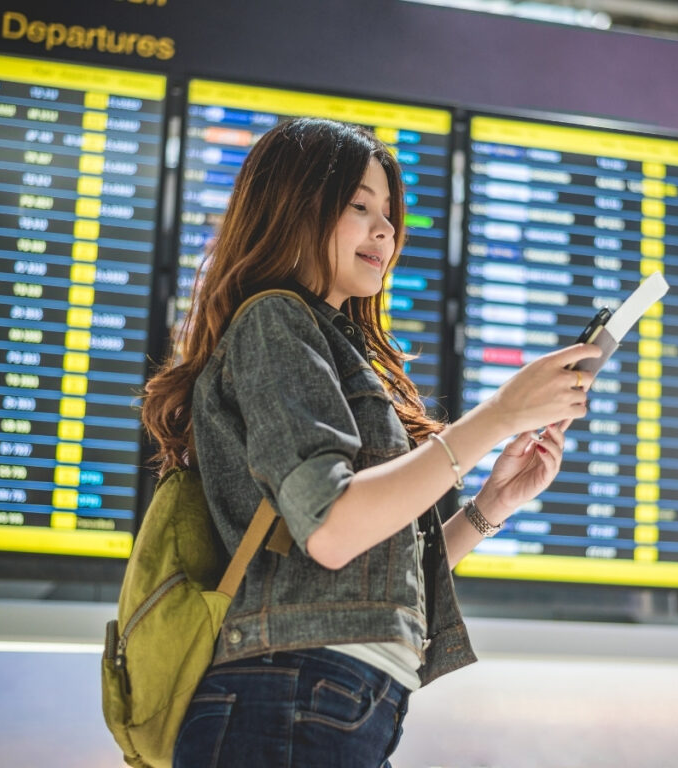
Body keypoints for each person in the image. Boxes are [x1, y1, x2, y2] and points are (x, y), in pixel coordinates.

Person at [141, 117, 600, 768]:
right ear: (292, 211)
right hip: (288, 699)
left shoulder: (329, 345)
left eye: (389, 214)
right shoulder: (274, 320)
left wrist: (490, 505)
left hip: (325, 700)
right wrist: (498, 416)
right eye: (360, 207)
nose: (385, 231)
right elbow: (331, 527)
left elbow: (371, 570)